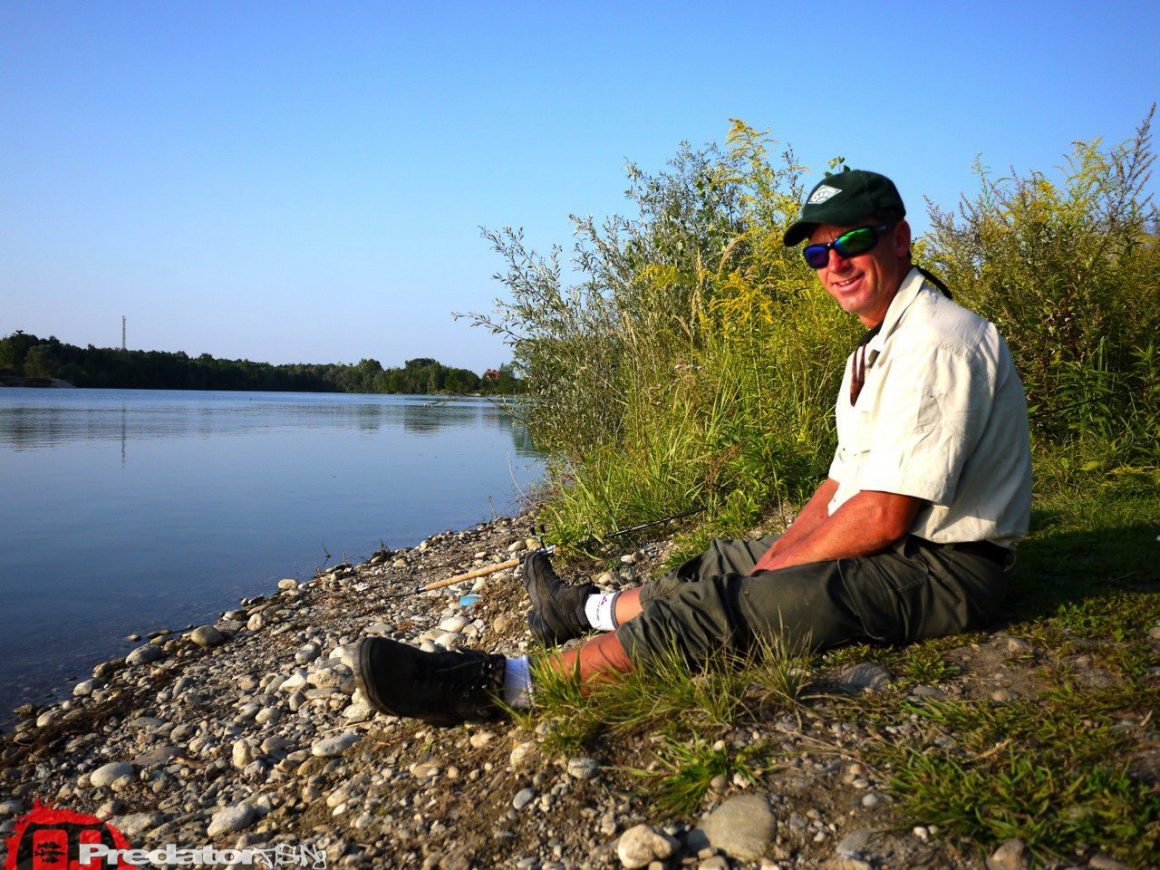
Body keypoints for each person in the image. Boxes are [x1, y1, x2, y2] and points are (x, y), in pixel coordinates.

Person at [353, 169, 1033, 726]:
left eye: (851, 241)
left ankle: (499, 686)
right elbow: (840, 486)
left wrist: (766, 581)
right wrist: (773, 556)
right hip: (899, 547)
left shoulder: (941, 339)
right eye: (817, 253)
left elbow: (885, 513)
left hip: (948, 570)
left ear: (901, 239)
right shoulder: (877, 347)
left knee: (726, 606)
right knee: (721, 562)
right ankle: (578, 610)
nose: (834, 265)